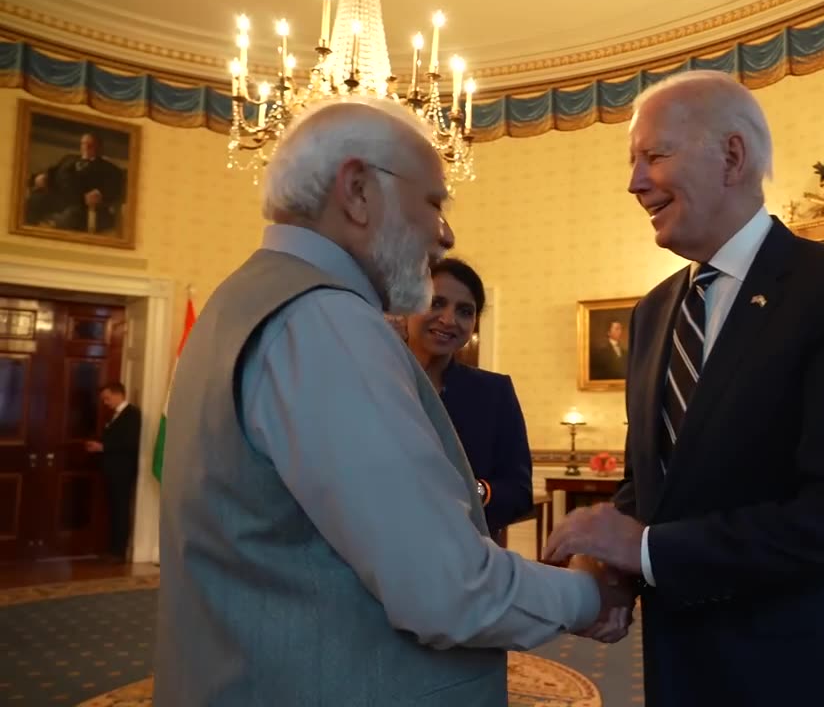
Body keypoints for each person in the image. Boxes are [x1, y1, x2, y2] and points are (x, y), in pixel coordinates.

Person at [153, 96, 630, 706]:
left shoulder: (240, 301)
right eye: (434, 201)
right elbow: (446, 588)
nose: (446, 233)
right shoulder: (325, 320)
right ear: (357, 190)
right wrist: (591, 594)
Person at [543, 70, 824, 705]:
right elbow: (652, 480)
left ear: (732, 156)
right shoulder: (653, 311)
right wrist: (617, 572)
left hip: (803, 669)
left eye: (653, 156)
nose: (634, 182)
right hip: (681, 663)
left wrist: (647, 549)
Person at [404, 257, 535, 537]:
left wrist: (474, 490)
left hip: (468, 554)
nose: (449, 319)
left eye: (465, 311)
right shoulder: (376, 378)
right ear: (408, 305)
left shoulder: (494, 392)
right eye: (436, 303)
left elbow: (519, 493)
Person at [24, 133, 126, 233]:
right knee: (34, 201)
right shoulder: (69, 159)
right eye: (83, 143)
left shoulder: (109, 168)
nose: (86, 147)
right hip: (58, 198)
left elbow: (115, 186)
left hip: (81, 205)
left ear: (99, 148)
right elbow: (52, 172)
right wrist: (39, 177)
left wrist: (100, 194)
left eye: (90, 144)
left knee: (70, 218)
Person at [86, 381, 140, 561]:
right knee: (113, 509)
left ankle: (119, 551)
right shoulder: (114, 416)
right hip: (111, 470)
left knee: (121, 510)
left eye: (107, 398)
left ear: (118, 395)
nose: (105, 403)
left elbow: (130, 443)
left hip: (123, 471)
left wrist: (103, 447)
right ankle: (112, 548)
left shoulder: (132, 414)